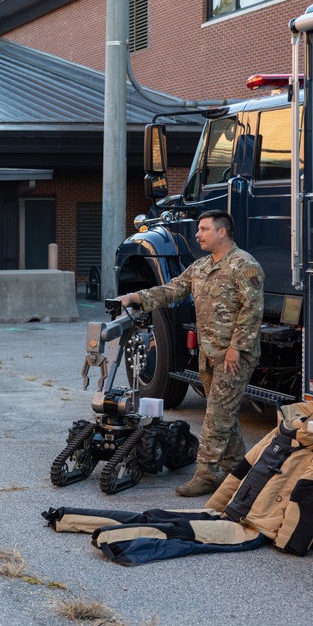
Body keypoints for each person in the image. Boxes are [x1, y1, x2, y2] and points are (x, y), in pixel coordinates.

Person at [116, 209, 264, 497]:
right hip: (209, 354)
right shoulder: (201, 266)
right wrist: (135, 297)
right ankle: (239, 471)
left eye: (204, 229)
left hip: (234, 357)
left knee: (216, 416)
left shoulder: (244, 266)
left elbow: (252, 312)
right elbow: (173, 289)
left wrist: (236, 348)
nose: (197, 234)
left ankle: (207, 475)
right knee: (224, 416)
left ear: (222, 232)